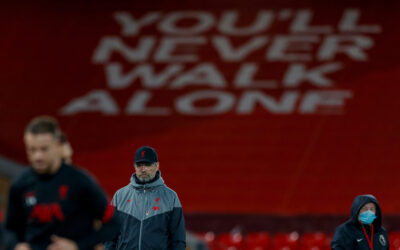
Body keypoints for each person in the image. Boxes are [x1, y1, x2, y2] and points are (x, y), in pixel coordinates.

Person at [5, 116, 120, 250]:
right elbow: (9, 230)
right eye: (32, 150)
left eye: (44, 149)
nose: (38, 157)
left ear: (57, 145)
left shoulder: (79, 181)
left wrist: (77, 246)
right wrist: (16, 245)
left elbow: (114, 223)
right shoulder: (20, 184)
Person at [104, 146, 186, 250]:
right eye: (139, 165)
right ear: (134, 166)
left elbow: (178, 240)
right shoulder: (119, 196)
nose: (143, 169)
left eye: (147, 164)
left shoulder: (171, 197)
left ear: (157, 165)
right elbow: (110, 237)